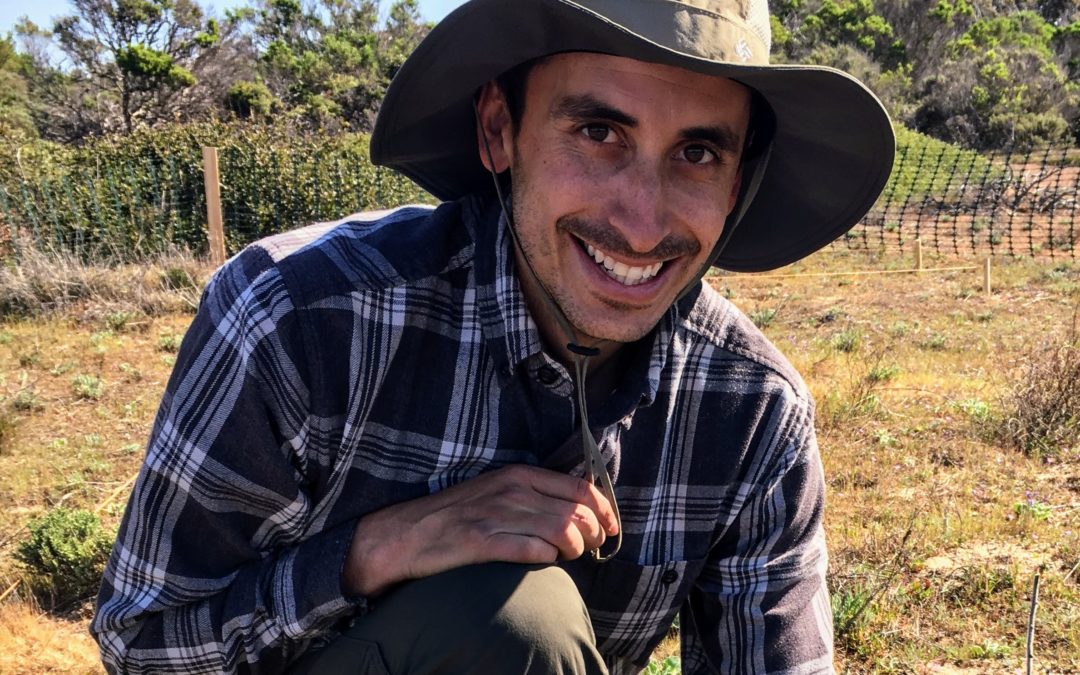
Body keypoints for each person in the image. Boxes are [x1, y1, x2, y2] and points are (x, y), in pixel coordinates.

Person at [91, 0, 895, 673]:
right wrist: (374, 550)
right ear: (498, 131)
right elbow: (141, 643)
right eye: (598, 134)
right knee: (519, 625)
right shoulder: (300, 321)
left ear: (738, 182)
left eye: (697, 151)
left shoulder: (751, 410)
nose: (644, 223)